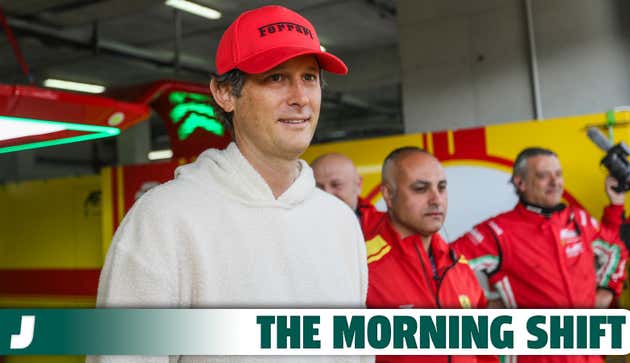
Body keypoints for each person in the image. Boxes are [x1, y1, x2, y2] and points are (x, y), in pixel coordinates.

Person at [90, 5, 369, 363]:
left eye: (309, 77)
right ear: (224, 93)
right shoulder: (165, 219)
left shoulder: (339, 222)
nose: (300, 97)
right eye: (276, 77)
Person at [452, 147, 628, 363]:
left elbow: (616, 248)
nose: (555, 182)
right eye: (544, 175)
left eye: (558, 174)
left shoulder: (578, 219)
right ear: (520, 183)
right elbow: (441, 266)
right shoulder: (497, 231)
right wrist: (480, 309)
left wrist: (607, 290)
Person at [362, 146, 493, 363]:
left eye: (441, 188)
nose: (436, 199)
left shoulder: (458, 266)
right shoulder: (362, 268)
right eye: (420, 189)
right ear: (388, 194)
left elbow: (483, 353)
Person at [312, 153, 377, 224]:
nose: (327, 194)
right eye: (318, 187)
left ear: (358, 185)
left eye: (336, 185)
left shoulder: (385, 227)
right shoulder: (300, 226)